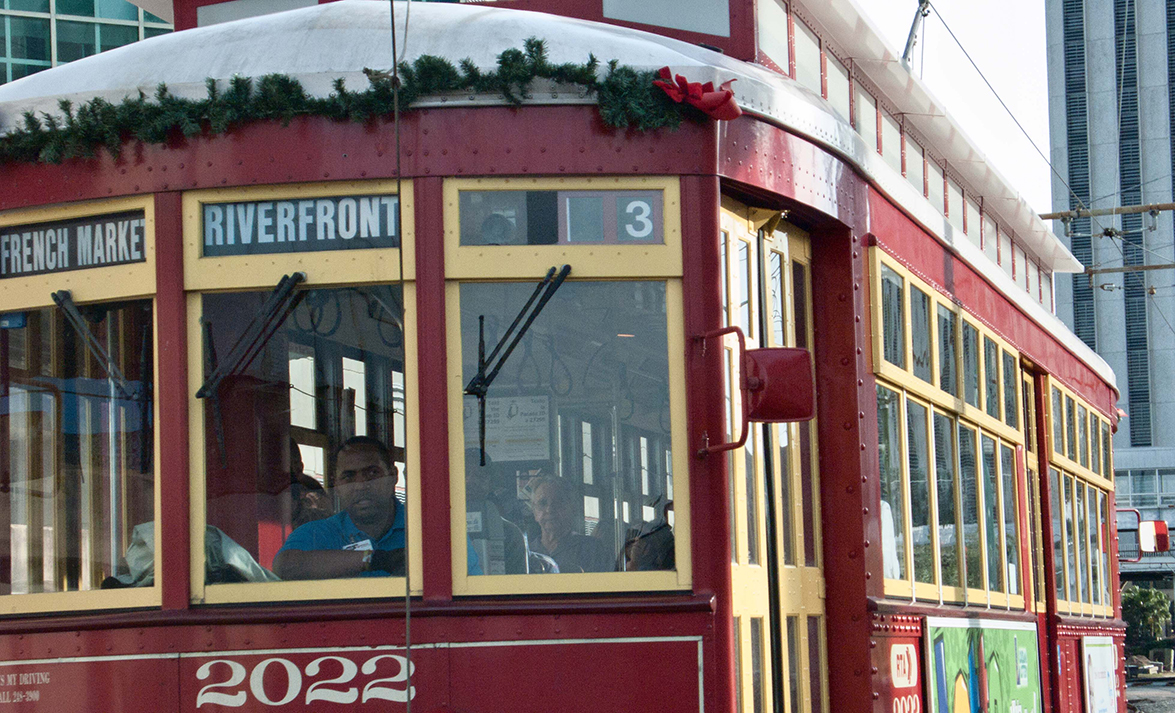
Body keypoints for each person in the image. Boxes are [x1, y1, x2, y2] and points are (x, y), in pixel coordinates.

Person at [273, 436, 481, 579]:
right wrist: (377, 559)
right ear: (335, 483)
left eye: (372, 473)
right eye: (349, 476)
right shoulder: (317, 534)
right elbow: (285, 567)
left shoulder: (436, 531)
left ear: (393, 475)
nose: (361, 485)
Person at [528, 477, 613, 574]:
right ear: (534, 511)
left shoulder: (593, 549)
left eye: (558, 502)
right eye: (542, 503)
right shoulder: (527, 553)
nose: (549, 509)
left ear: (572, 508)